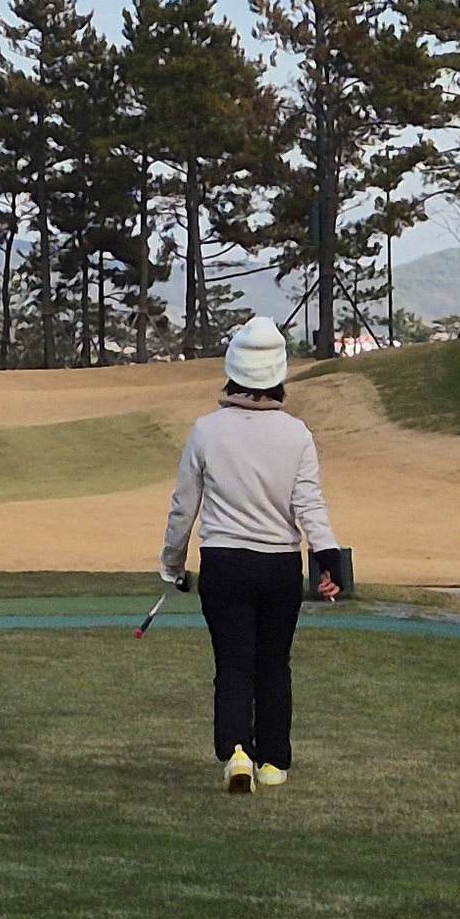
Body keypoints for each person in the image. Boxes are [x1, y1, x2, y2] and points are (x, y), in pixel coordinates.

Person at [157, 317, 344, 794]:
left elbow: (184, 506)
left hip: (224, 562)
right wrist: (328, 562)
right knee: (273, 663)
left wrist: (172, 565)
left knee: (233, 663)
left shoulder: (205, 430)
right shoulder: (297, 434)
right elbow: (310, 504)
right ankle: (274, 762)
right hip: (280, 566)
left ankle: (237, 751)